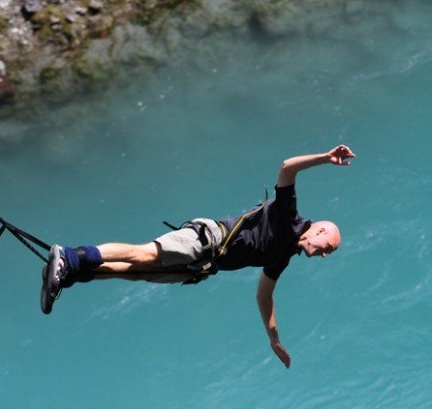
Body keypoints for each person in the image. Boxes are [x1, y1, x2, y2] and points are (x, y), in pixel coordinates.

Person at [41, 144, 356, 368]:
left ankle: (72, 273)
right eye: (328, 248)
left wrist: (273, 339)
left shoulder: (284, 255)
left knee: (138, 272)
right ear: (318, 232)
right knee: (146, 255)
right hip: (208, 239)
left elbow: (264, 297)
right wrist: (326, 158)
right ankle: (70, 256)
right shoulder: (289, 216)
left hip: (205, 264)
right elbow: (287, 167)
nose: (324, 256)